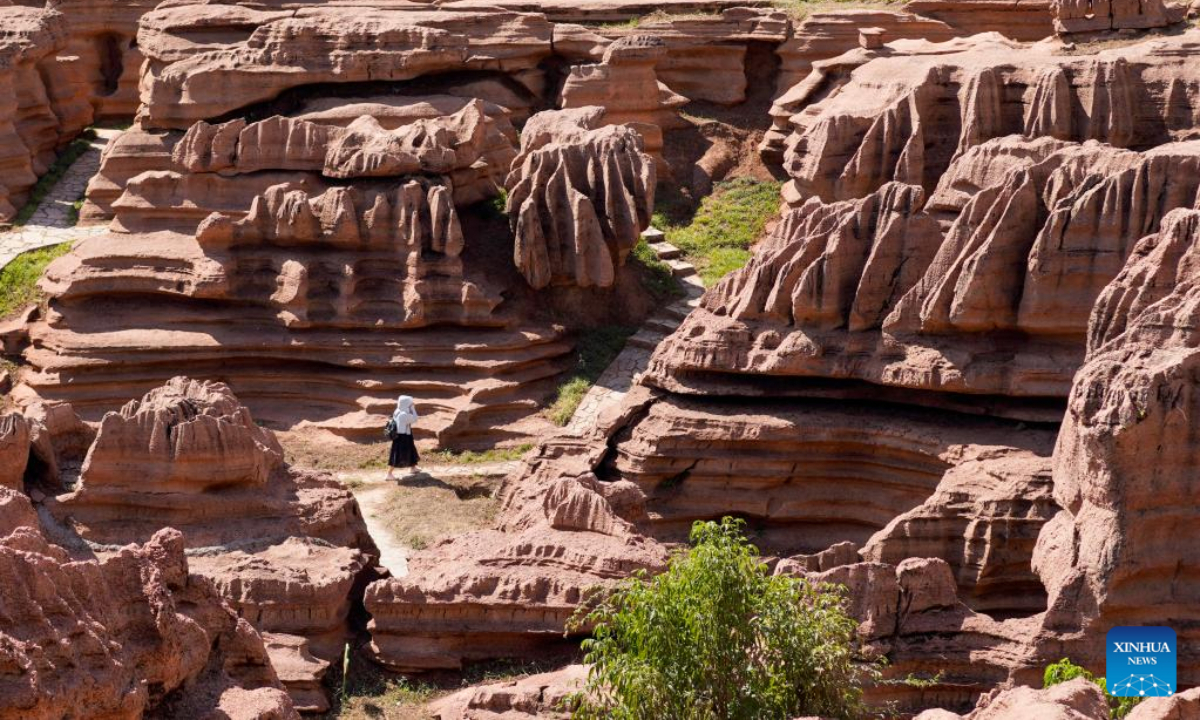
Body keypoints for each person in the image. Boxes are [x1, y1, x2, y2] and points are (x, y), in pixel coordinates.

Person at [385, 395, 420, 480]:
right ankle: (389, 474)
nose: (412, 404)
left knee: (411, 450)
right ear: (406, 404)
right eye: (410, 403)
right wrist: (413, 408)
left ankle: (413, 468)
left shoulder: (397, 411)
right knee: (398, 455)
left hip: (403, 435)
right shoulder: (403, 414)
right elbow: (415, 418)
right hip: (402, 437)